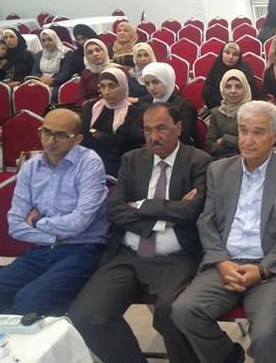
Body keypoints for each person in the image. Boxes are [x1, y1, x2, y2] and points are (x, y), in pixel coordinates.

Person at [69, 103, 211, 363]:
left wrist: (142, 205)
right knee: (86, 316)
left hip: (175, 256)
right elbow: (114, 208)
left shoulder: (199, 161)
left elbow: (192, 210)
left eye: (161, 129)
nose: (154, 137)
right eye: (147, 130)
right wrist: (166, 214)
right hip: (130, 252)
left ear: (179, 128)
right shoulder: (132, 159)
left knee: (171, 314)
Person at [171, 101, 276, 363]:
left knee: (265, 334)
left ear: (274, 136)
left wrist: (262, 270)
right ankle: (229, 357)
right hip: (226, 264)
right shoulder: (219, 170)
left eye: (258, 132)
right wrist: (221, 263)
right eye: (243, 130)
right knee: (184, 311)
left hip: (271, 268)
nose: (248, 139)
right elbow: (207, 221)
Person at [0, 109, 108, 314]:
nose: (51, 141)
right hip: (40, 250)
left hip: (82, 250)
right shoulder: (30, 167)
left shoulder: (89, 163)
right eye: (46, 132)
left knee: (30, 299)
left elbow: (79, 223)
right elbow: (15, 225)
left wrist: (37, 222)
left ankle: (56, 329)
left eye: (61, 135)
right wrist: (55, 235)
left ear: (77, 139)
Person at [80, 68, 144, 177]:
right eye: (102, 86)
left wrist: (96, 134)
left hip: (116, 164)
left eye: (112, 86)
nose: (106, 91)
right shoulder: (91, 107)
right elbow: (83, 137)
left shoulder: (133, 112)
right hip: (87, 158)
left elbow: (122, 142)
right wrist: (105, 137)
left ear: (122, 86)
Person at [143, 62, 197, 145]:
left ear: (167, 81)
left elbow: (182, 137)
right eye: (147, 84)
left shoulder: (185, 106)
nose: (151, 88)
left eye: (156, 82)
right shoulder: (146, 105)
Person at [205, 69, 252, 160]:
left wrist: (224, 140)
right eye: (228, 87)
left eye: (238, 87)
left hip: (247, 160)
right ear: (222, 89)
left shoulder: (253, 112)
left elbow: (251, 144)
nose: (233, 91)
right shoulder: (216, 112)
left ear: (246, 88)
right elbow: (209, 147)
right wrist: (236, 146)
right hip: (220, 161)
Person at [202, 42, 259, 109]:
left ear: (239, 57)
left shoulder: (245, 70)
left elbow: (252, 94)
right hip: (217, 107)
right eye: (227, 53)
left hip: (243, 108)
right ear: (222, 54)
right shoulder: (216, 68)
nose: (230, 57)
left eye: (235, 54)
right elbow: (207, 95)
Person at [79, 38, 131, 103]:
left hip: (118, 105)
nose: (95, 54)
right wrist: (88, 105)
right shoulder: (86, 73)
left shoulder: (119, 70)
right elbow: (81, 97)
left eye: (98, 50)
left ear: (105, 51)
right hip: (93, 107)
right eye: (90, 52)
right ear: (87, 56)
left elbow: (131, 93)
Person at [53, 24, 98, 95]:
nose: (82, 42)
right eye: (78, 40)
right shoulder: (75, 55)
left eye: (84, 38)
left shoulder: (103, 50)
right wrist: (54, 80)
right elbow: (66, 72)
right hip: (84, 85)